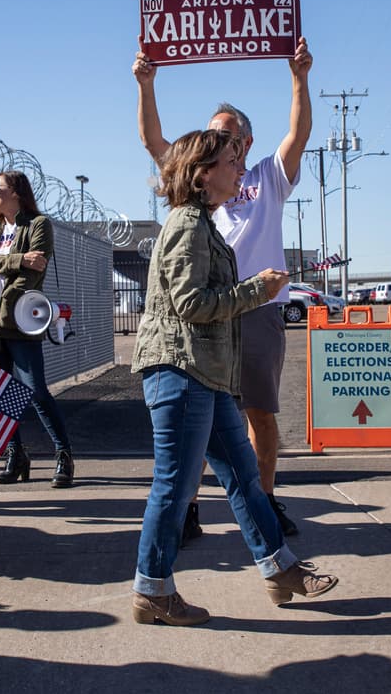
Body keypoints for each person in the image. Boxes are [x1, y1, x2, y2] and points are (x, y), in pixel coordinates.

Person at [130, 129, 337, 625]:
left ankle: (279, 568)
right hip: (180, 371)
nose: (240, 168)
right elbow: (192, 305)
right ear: (203, 175)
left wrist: (252, 289)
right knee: (175, 486)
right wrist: (256, 292)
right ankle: (152, 590)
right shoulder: (186, 224)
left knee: (244, 476)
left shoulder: (202, 223)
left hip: (205, 373)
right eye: (230, 161)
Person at [133, 36, 313, 540]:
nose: (218, 140)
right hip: (206, 315)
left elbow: (298, 134)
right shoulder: (197, 181)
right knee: (200, 419)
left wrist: (299, 78)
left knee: (260, 414)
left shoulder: (267, 178)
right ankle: (187, 507)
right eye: (212, 133)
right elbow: (153, 142)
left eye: (228, 134)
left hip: (256, 315)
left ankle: (267, 502)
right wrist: (147, 85)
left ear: (247, 142)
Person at [0, 170, 73, 487]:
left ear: (15, 193)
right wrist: (18, 259)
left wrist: (6, 260)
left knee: (36, 390)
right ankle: (15, 454)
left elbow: (37, 264)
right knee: (3, 390)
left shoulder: (38, 225)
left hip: (20, 318)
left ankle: (64, 454)